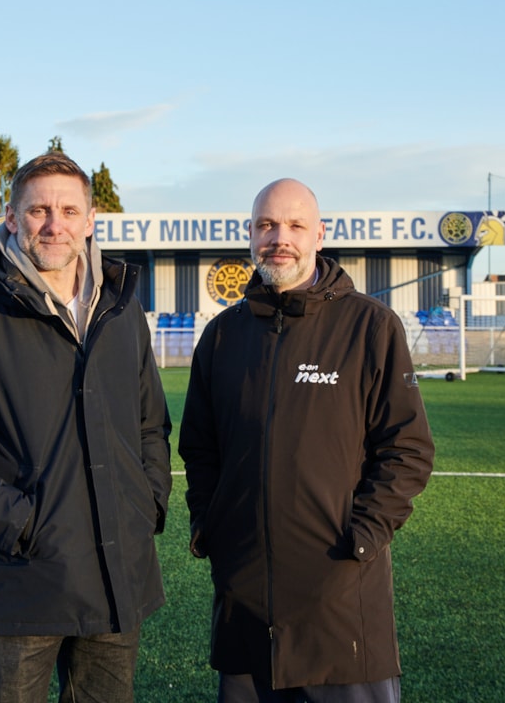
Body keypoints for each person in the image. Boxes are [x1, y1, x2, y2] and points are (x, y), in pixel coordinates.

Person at [0, 151, 172, 703]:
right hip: (20, 586)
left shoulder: (122, 313)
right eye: (39, 210)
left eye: (69, 210)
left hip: (116, 579)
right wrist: (27, 525)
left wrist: (146, 504)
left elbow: (150, 427)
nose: (55, 225)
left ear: (91, 220)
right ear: (10, 217)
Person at [178, 178, 434, 703]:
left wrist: (361, 539)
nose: (280, 237)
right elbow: (199, 449)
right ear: (249, 234)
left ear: (320, 234)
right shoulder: (222, 336)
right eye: (267, 225)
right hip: (244, 596)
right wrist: (210, 524)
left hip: (340, 597)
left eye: (295, 225)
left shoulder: (370, 327)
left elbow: (407, 450)